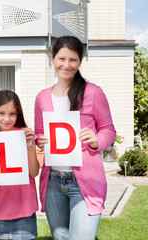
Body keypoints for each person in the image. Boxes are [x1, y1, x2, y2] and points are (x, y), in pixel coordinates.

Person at [34, 36, 116, 239]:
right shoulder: (42, 97)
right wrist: (40, 140)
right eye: (62, 58)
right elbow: (38, 133)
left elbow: (108, 130)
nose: (67, 65)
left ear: (80, 61)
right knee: (60, 236)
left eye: (73, 59)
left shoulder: (93, 93)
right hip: (53, 180)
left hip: (85, 181)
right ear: (52, 59)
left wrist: (97, 140)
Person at [0, 90, 39, 239]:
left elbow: (34, 172)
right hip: (1, 209)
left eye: (12, 114)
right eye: (1, 113)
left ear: (18, 114)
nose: (7, 119)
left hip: (25, 208)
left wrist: (30, 146)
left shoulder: (25, 136)